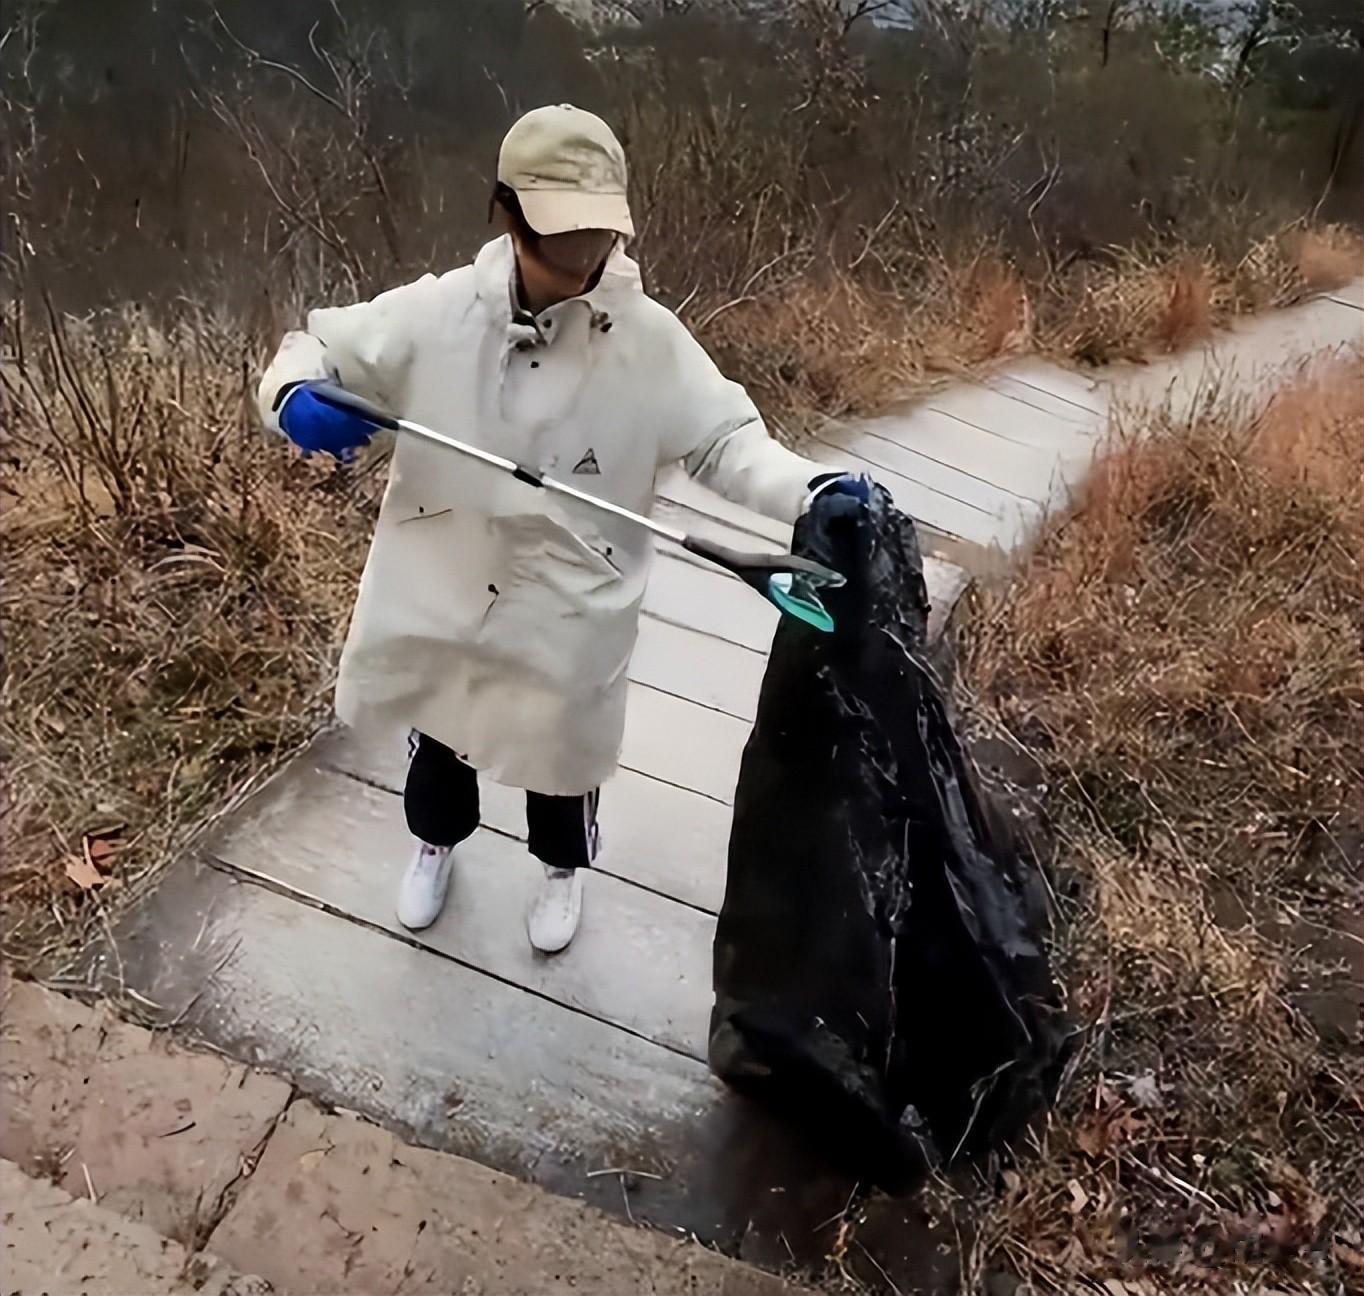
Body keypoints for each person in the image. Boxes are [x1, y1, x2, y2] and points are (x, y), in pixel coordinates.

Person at [258, 104, 871, 954]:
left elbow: (725, 441)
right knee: (439, 741)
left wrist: (816, 488)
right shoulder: (439, 314)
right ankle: (436, 844)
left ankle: (563, 868)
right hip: (443, 581)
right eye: (559, 233)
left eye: (596, 235)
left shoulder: (649, 342)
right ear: (507, 214)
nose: (581, 258)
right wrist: (294, 395)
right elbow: (314, 350)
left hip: (570, 605)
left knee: (559, 765)